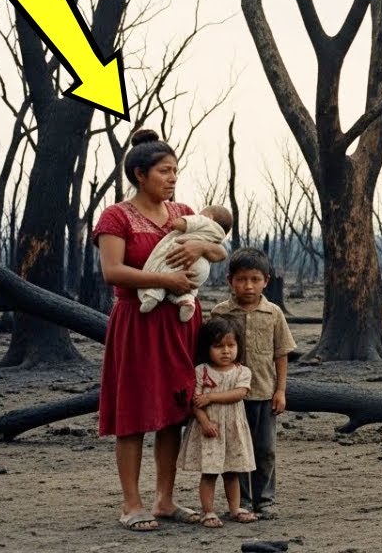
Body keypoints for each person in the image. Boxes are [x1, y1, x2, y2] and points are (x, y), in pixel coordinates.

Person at [92, 129, 228, 532]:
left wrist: (201, 249)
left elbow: (219, 247)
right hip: (138, 320)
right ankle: (132, 504)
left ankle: (165, 500)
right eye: (164, 171)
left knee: (174, 412)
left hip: (180, 324)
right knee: (133, 413)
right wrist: (165, 282)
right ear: (139, 174)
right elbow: (112, 271)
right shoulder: (116, 216)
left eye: (175, 171)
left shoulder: (182, 211)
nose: (172, 179)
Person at [209, 248, 296, 519]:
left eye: (255, 279)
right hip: (231, 397)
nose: (248, 286)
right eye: (242, 279)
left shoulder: (274, 314)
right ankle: (242, 502)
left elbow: (281, 354)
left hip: (264, 393)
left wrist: (280, 391)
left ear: (266, 280)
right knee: (236, 451)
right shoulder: (220, 313)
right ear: (229, 280)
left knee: (265, 449)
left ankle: (265, 500)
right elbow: (210, 353)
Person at [178, 317, 258, 528]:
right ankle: (208, 511)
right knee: (210, 472)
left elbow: (239, 393)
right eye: (218, 346)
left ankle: (235, 508)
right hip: (211, 429)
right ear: (207, 347)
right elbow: (195, 402)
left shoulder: (242, 371)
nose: (226, 351)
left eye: (231, 345)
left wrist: (211, 397)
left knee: (232, 471)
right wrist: (204, 422)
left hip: (232, 428)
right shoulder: (201, 371)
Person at [138, 204, 234, 320]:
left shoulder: (201, 220)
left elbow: (176, 224)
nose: (198, 215)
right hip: (201, 271)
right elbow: (221, 252)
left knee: (169, 265)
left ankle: (153, 295)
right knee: (187, 290)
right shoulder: (218, 235)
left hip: (182, 261)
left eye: (201, 214)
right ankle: (187, 301)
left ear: (210, 216)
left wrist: (201, 246)